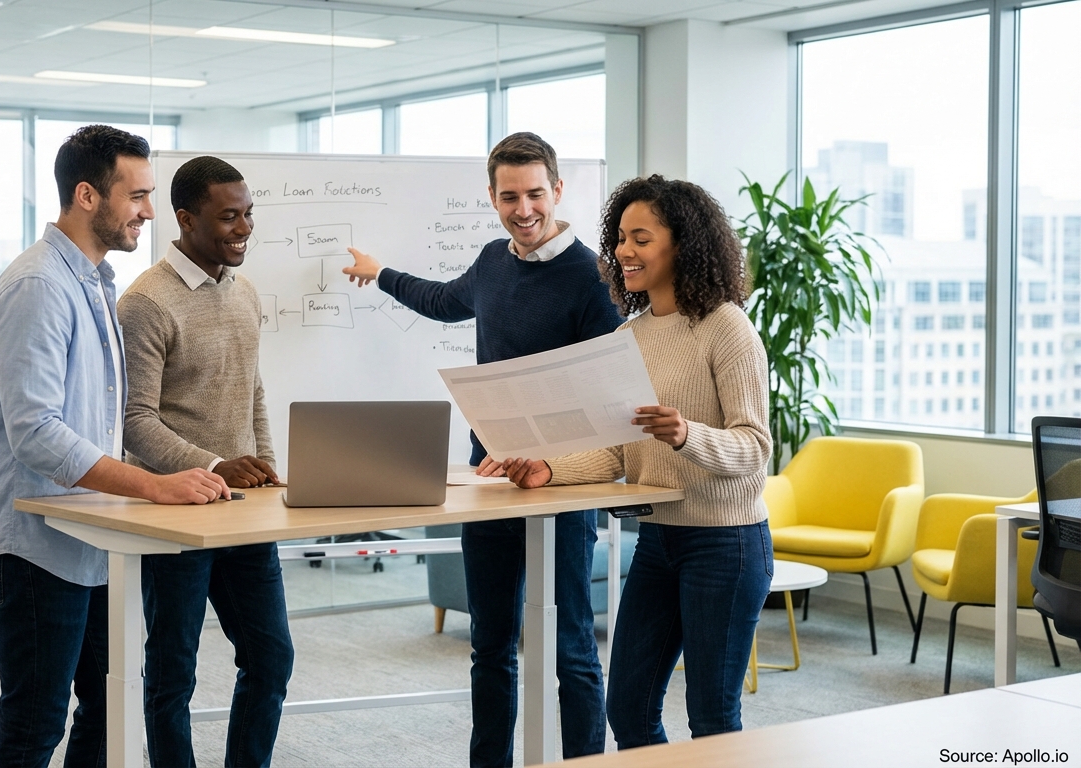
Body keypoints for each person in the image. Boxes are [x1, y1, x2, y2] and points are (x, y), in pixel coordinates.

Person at [342, 132, 619, 765]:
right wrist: (379, 273)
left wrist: (542, 457)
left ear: (558, 190)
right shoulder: (494, 261)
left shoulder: (593, 278)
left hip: (558, 486)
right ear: (492, 197)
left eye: (535, 195)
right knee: (490, 645)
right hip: (489, 483)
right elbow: (444, 302)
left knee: (569, 647)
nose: (523, 210)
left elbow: (600, 397)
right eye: (508, 197)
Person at [0, 126, 229, 768]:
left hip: (88, 537)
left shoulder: (92, 281)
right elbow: (36, 432)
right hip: (33, 543)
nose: (148, 210)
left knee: (111, 709)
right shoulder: (40, 286)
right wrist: (155, 485)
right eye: (136, 196)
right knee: (35, 724)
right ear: (87, 195)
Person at [485, 175, 773, 748]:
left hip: (725, 542)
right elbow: (618, 448)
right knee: (629, 707)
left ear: (682, 245)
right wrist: (549, 469)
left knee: (712, 717)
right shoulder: (631, 334)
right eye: (620, 238)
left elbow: (755, 449)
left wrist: (687, 433)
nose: (623, 251)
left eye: (640, 238)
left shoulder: (726, 326)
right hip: (659, 539)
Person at [118, 155, 292, 767]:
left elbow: (254, 390)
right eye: (228, 217)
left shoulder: (243, 292)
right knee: (173, 673)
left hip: (244, 515)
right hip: (177, 515)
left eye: (248, 214)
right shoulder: (144, 303)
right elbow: (134, 422)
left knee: (271, 657)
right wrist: (217, 465)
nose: (243, 227)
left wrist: (266, 468)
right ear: (185, 218)